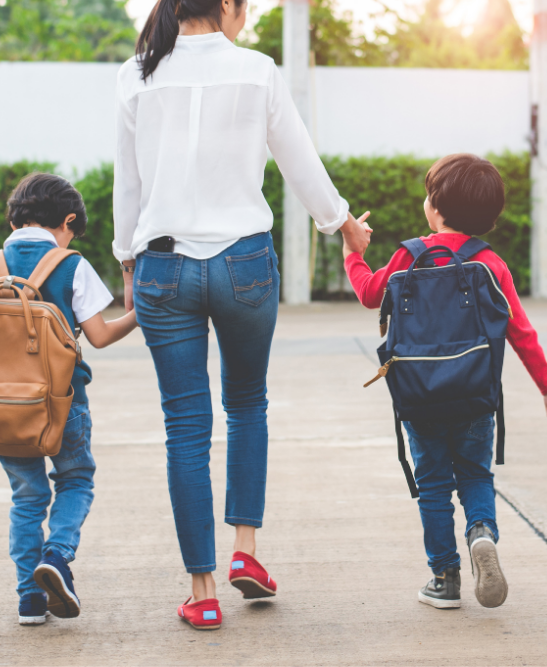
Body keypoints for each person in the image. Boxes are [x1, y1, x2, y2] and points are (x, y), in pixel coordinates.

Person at [113, 0, 372, 631]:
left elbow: (129, 181)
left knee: (185, 426)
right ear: (227, 5)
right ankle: (245, 551)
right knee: (247, 404)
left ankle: (201, 593)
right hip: (244, 265)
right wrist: (342, 225)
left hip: (163, 267)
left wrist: (126, 261)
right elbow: (299, 160)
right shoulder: (257, 70)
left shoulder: (137, 73)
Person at [343, 153, 547, 610]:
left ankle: (445, 579)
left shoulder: (409, 256)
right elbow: (521, 332)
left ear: (436, 208)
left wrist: (352, 254)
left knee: (434, 485)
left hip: (419, 396)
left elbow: (369, 294)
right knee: (476, 474)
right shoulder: (490, 263)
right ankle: (481, 533)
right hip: (475, 394)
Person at [0, 172, 139, 625]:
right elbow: (100, 336)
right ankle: (57, 555)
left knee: (27, 498)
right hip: (62, 402)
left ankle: (30, 601)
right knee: (76, 479)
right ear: (68, 221)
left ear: (15, 218)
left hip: (0, 408)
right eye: (73, 231)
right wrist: (138, 315)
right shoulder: (71, 265)